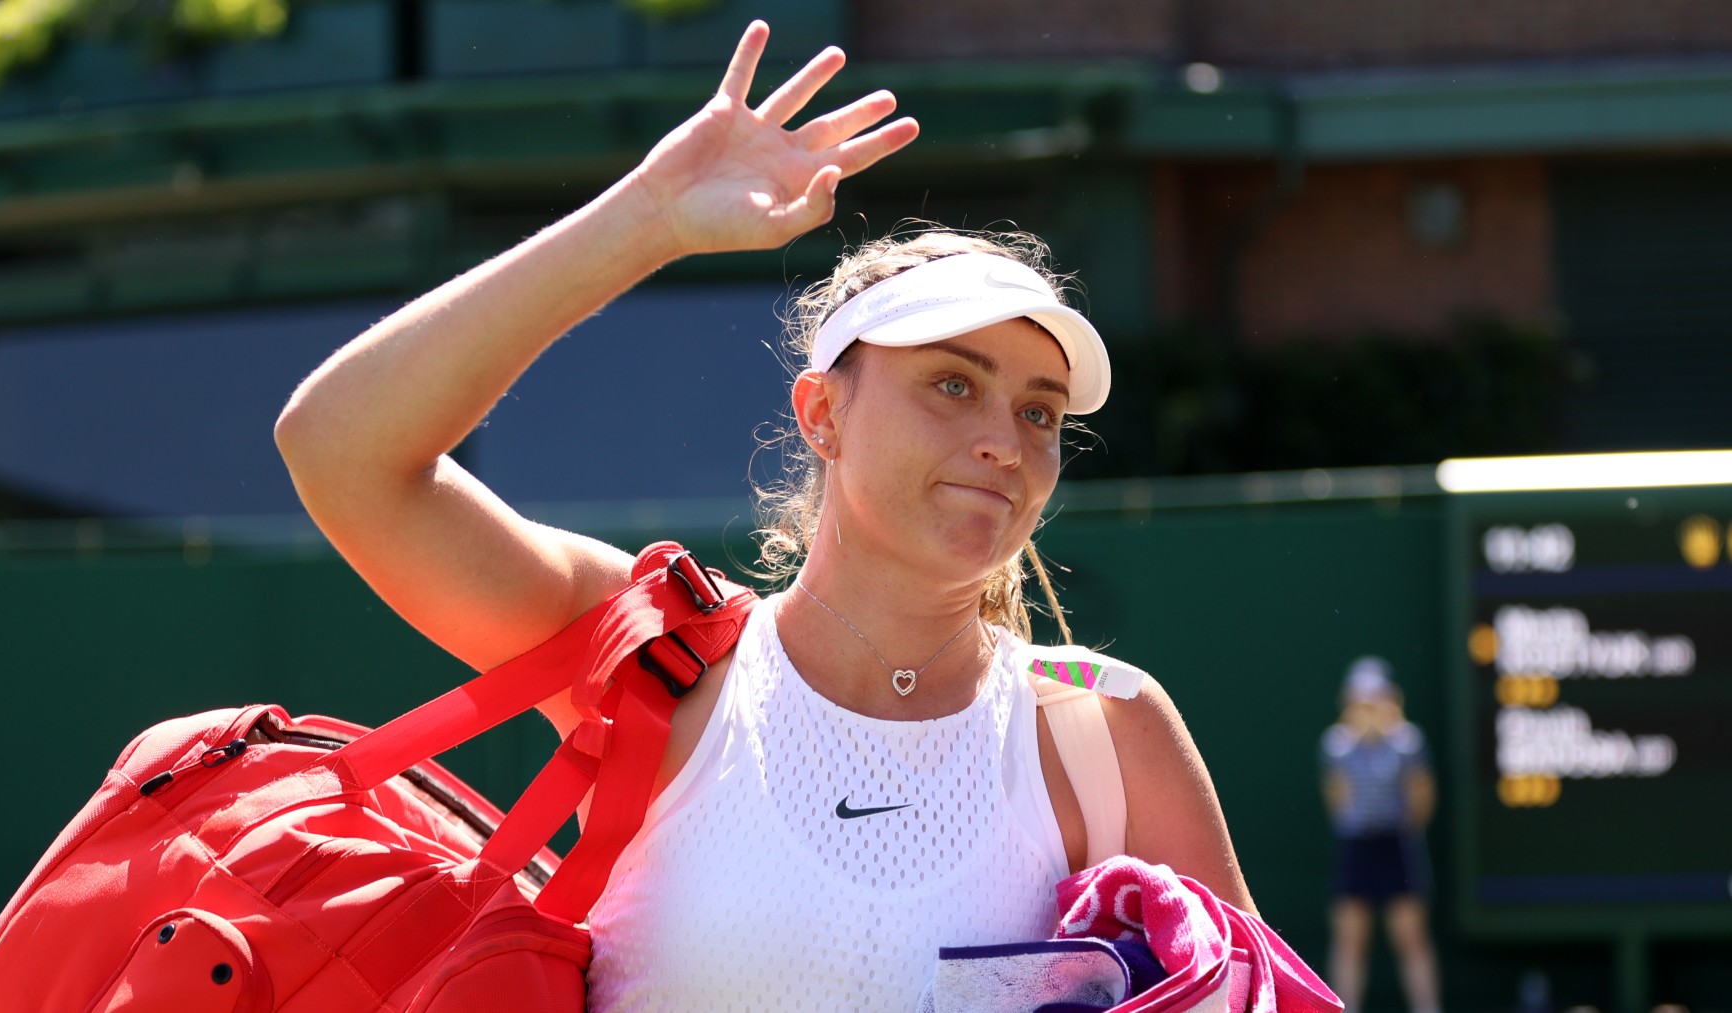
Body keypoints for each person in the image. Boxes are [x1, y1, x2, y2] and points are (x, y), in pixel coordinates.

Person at [274, 21, 1253, 1010]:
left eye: (1038, 409)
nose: (1005, 437)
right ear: (823, 413)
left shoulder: (1109, 731)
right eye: (953, 385)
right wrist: (647, 217)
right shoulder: (654, 663)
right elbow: (340, 449)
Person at [1320, 656, 1440, 1013]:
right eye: (1362, 702)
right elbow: (1339, 804)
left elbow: (1422, 801)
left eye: (1376, 701)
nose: (1369, 709)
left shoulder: (1409, 744)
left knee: (1411, 939)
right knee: (1349, 941)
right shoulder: (1335, 746)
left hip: (1396, 844)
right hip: (1357, 847)